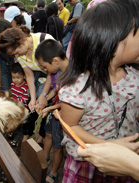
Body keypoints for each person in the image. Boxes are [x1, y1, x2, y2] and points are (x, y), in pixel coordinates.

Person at [58, 0, 139, 182]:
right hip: (89, 163)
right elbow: (71, 127)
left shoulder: (135, 77)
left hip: (126, 163)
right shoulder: (77, 88)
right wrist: (109, 146)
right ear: (113, 41)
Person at [0, 26, 55, 143]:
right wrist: (33, 99)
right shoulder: (20, 54)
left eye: (16, 52)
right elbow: (29, 75)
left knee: (46, 109)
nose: (16, 55)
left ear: (21, 42)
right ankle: (36, 135)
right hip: (40, 80)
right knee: (36, 106)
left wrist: (43, 94)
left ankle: (44, 136)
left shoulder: (44, 41)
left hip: (54, 79)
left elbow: (52, 72)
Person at [35, 39, 68, 183]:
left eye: (45, 67)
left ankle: (54, 172)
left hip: (63, 115)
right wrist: (45, 99)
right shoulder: (60, 71)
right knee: (48, 133)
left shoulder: (72, 77)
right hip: (54, 110)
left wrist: (49, 107)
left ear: (55, 61)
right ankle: (45, 157)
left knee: (58, 144)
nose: (45, 71)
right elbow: (56, 90)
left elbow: (67, 104)